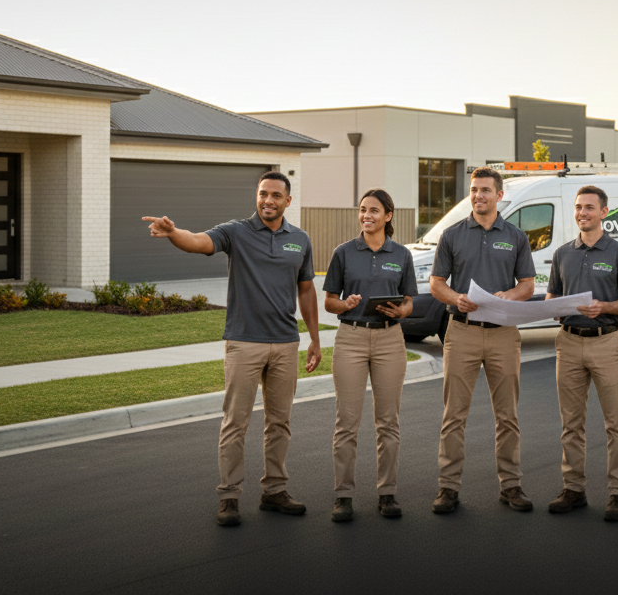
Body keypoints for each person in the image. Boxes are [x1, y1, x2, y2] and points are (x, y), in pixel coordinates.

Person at [142, 171, 321, 527]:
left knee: (279, 423)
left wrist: (314, 338)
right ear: (257, 197)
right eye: (262, 193)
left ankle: (274, 490)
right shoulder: (236, 232)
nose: (267, 200)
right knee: (235, 423)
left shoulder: (299, 240)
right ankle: (229, 496)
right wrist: (173, 233)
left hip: (285, 343)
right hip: (244, 342)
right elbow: (197, 241)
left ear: (288, 201)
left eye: (275, 195)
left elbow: (305, 290)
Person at [429, 166, 536, 514]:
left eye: (485, 191)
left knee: (507, 415)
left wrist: (511, 295)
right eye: (474, 190)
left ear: (499, 195)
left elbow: (528, 285)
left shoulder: (517, 236)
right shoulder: (452, 234)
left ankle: (511, 485)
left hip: (503, 333)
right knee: (454, 415)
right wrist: (453, 297)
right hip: (461, 332)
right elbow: (436, 283)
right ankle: (448, 487)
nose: (478, 196)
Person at [545, 185, 618, 521]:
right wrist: (554, 307)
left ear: (604, 212)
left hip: (606, 341)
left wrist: (605, 306)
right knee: (571, 423)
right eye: (578, 207)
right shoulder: (562, 254)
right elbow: (551, 296)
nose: (582, 213)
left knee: (616, 423)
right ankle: (573, 489)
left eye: (589, 207)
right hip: (568, 341)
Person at [323, 189, 417, 522]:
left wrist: (402, 310)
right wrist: (344, 304)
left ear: (388, 216)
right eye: (363, 210)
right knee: (346, 423)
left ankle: (387, 493)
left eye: (374, 211)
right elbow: (330, 301)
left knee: (388, 422)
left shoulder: (401, 254)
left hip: (390, 339)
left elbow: (409, 300)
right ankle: (343, 496)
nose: (367, 216)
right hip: (350, 337)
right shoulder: (344, 253)